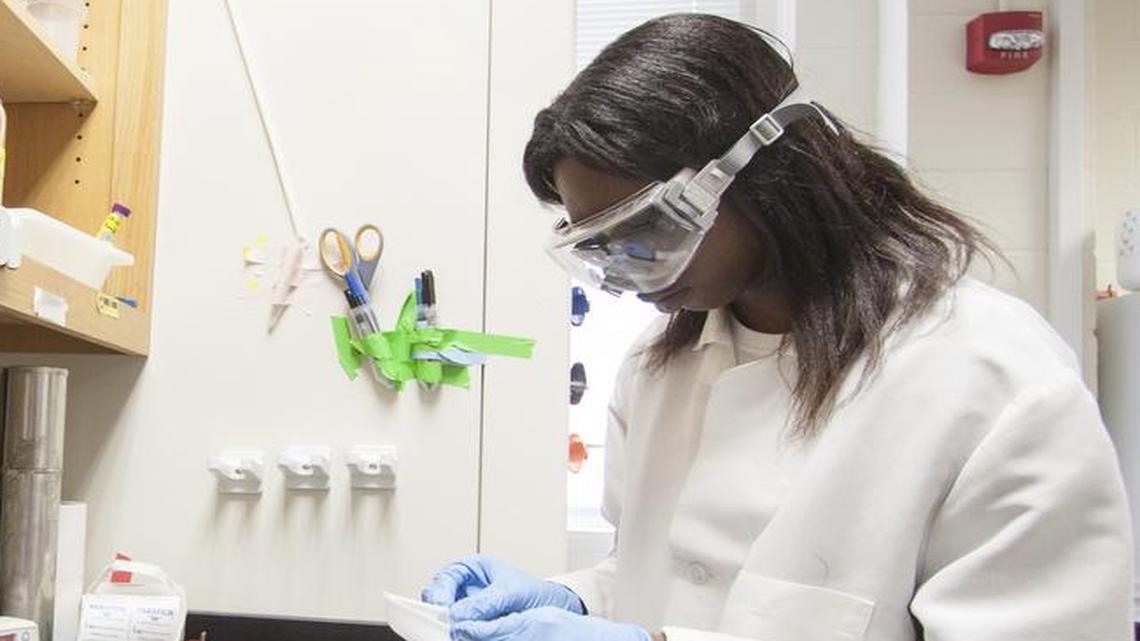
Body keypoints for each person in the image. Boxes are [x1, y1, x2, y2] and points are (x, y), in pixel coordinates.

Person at [421, 13, 1133, 641]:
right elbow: (668, 578)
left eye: (648, 228)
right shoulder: (656, 367)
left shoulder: (991, 382)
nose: (628, 269)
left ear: (763, 170)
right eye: (598, 244)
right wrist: (577, 600)